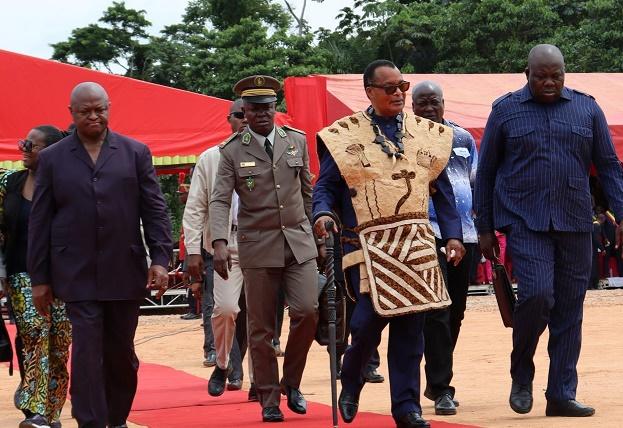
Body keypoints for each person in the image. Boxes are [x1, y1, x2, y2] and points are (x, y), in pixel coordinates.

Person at [313, 60, 464, 428]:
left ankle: (407, 408)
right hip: (364, 245)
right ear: (370, 92)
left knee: (411, 329)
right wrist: (323, 213)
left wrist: (453, 234)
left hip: (415, 243)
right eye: (390, 88)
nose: (399, 93)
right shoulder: (344, 136)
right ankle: (352, 378)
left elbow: (442, 191)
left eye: (402, 86)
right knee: (366, 322)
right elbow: (326, 186)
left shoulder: (426, 135)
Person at [475, 44, 623, 418]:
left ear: (564, 73)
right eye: (541, 76)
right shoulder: (505, 110)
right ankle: (521, 372)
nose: (549, 82)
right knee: (537, 294)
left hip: (575, 221)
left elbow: (609, 166)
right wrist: (485, 227)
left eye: (556, 76)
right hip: (525, 220)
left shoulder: (587, 109)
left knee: (570, 308)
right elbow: (487, 171)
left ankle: (561, 393)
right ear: (527, 74)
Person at [27, 82, 173, 428]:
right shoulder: (52, 158)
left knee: (121, 352)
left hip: (125, 268)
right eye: (85, 111)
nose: (94, 116)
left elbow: (154, 209)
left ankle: (117, 417)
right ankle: (90, 421)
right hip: (75, 272)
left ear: (108, 108)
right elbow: (40, 220)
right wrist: (39, 278)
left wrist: (160, 259)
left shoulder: (135, 152)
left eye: (100, 109)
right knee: (87, 351)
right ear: (72, 113)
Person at [209, 75, 319, 423]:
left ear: (275, 108)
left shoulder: (296, 141)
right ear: (244, 110)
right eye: (253, 109)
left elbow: (307, 191)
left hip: (298, 242)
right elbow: (220, 200)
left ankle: (292, 382)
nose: (261, 114)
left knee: (308, 311)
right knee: (261, 328)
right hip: (257, 246)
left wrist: (317, 230)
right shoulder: (232, 150)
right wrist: (219, 242)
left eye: (267, 107)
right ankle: (269, 398)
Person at [411, 81, 478, 416]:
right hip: (425, 233)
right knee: (437, 309)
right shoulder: (405, 138)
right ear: (412, 107)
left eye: (433, 102)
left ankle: (437, 372)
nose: (428, 109)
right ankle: (441, 388)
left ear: (443, 103)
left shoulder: (463, 138)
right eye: (421, 103)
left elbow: (477, 180)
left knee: (456, 312)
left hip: (465, 234)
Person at [0, 125, 71, 428]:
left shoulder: (66, 187)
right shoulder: (9, 183)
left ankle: (52, 413)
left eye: (31, 145)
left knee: (59, 345)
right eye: (23, 143)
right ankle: (35, 409)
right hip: (21, 274)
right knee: (34, 335)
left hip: (64, 278)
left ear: (51, 152)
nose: (23, 149)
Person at [183, 99, 253, 398]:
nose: (246, 119)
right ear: (229, 120)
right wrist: (192, 250)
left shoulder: (271, 154)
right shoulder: (211, 158)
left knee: (260, 316)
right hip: (224, 245)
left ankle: (261, 382)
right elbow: (195, 207)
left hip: (262, 244)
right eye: (239, 114)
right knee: (226, 309)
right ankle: (222, 364)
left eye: (251, 113)